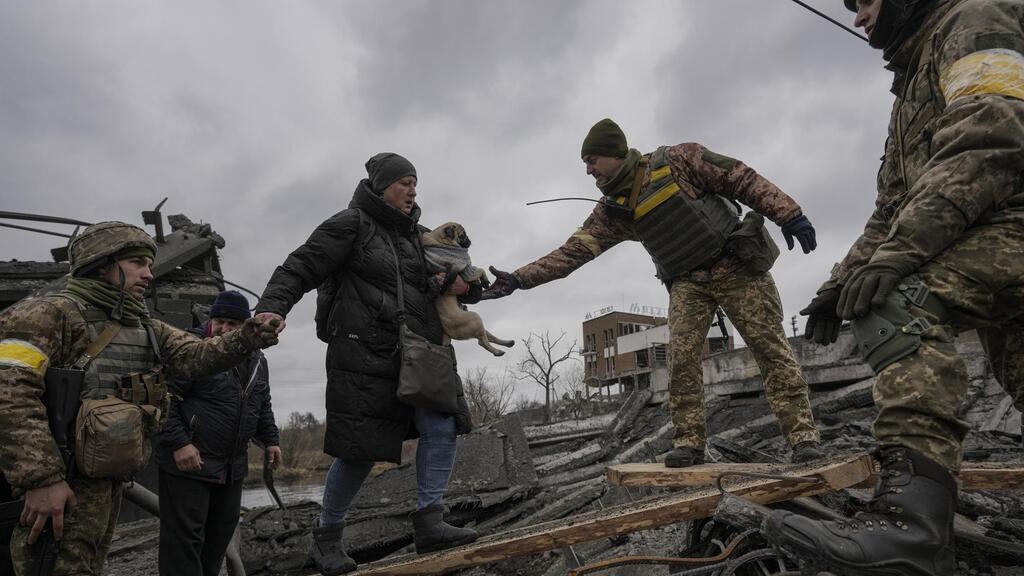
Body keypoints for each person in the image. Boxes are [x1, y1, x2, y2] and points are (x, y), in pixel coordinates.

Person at [766, 1, 1024, 575]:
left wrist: (898, 258)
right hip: (992, 242)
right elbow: (891, 208)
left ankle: (913, 533)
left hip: (1010, 224)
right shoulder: (910, 89)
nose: (859, 18)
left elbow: (991, 132)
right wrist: (840, 284)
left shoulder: (975, 19)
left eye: (865, 0)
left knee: (896, 305)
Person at [482, 119, 824, 467]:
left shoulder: (678, 160)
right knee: (681, 360)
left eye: (592, 160)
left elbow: (739, 177)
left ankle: (803, 440)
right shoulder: (612, 211)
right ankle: (689, 443)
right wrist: (518, 279)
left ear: (615, 153)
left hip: (736, 267)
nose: (588, 170)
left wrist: (788, 214)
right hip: (689, 283)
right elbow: (571, 253)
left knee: (771, 351)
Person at [0, 222, 279, 576]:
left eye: (149, 263)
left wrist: (250, 335)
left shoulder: (143, 325)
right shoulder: (45, 316)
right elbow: (10, 396)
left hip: (108, 481)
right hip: (60, 483)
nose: (149, 273)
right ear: (101, 263)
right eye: (137, 263)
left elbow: (198, 356)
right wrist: (41, 479)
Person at [253, 153, 477, 575]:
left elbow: (456, 276)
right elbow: (300, 265)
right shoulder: (351, 224)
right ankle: (327, 536)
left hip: (423, 351)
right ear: (380, 186)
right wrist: (272, 307)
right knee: (360, 449)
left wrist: (468, 285)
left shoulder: (422, 237)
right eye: (404, 182)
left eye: (415, 183)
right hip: (364, 354)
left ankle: (431, 522)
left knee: (442, 425)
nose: (412, 190)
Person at [155, 290, 282, 576]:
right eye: (219, 321)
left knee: (217, 541)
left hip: (231, 466)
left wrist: (270, 440)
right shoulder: (190, 350)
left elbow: (261, 401)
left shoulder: (257, 358)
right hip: (189, 464)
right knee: (183, 545)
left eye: (232, 324)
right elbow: (162, 398)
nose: (223, 328)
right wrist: (179, 443)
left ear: (245, 325)